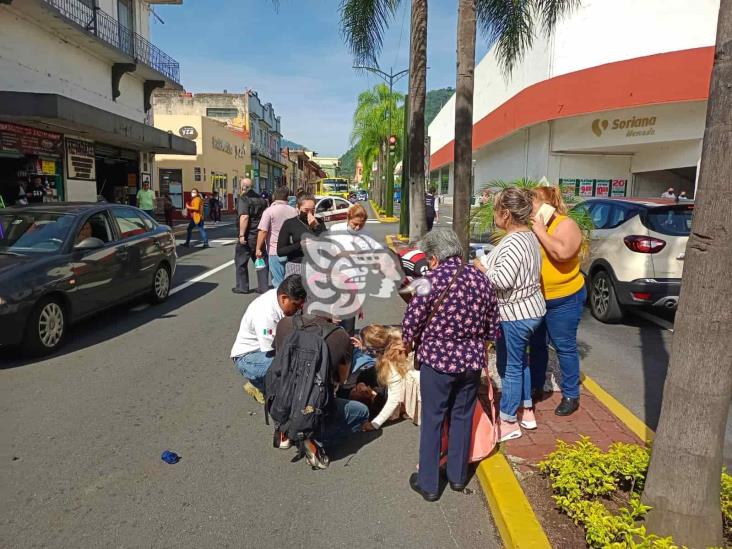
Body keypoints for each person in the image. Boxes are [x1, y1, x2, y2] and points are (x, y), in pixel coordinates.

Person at [402, 229, 500, 502]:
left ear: (433, 258)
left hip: (438, 362)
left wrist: (409, 342)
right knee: (462, 417)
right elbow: (493, 326)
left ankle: (429, 483)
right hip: (471, 362)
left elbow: (411, 323)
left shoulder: (428, 281)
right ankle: (457, 476)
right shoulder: (481, 279)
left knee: (433, 420)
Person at [473, 188, 546, 441]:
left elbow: (502, 280)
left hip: (515, 314)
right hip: (530, 310)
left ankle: (508, 420)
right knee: (521, 362)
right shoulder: (528, 236)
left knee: (511, 368)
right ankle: (527, 410)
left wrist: (482, 268)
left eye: (495, 210)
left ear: (505, 213)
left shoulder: (514, 241)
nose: (493, 214)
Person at [272, 311, 368, 467]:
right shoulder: (340, 336)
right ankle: (314, 440)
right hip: (313, 405)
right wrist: (351, 350)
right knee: (362, 412)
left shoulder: (285, 323)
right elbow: (342, 380)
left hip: (282, 398)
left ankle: (284, 428)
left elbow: (279, 361)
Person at [528, 185, 586, 416]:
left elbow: (562, 253)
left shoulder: (565, 225)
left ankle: (571, 394)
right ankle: (536, 385)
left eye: (532, 203)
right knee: (537, 345)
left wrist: (541, 232)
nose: (529, 208)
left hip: (564, 298)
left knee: (564, 346)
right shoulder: (531, 225)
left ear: (547, 205)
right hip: (536, 298)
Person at [230, 275, 307, 404]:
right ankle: (259, 384)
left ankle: (263, 384)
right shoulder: (266, 315)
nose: (299, 309)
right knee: (292, 367)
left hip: (265, 350)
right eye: (296, 306)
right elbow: (274, 351)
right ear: (284, 299)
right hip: (249, 357)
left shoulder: (280, 297)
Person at [328, 203, 382, 335]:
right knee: (331, 322)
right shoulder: (335, 230)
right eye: (355, 224)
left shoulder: (366, 236)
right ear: (348, 218)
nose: (357, 228)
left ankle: (347, 349)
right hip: (334, 280)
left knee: (348, 324)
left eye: (361, 225)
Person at [355, 325, 410, 432]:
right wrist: (361, 381)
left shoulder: (392, 365)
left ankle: (407, 408)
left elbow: (394, 399)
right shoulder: (399, 337)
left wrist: (375, 424)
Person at [256, 186, 297, 288]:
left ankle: (279, 301)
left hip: (274, 251)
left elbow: (263, 231)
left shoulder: (269, 211)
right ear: (287, 197)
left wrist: (258, 248)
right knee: (291, 282)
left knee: (278, 282)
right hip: (291, 250)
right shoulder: (294, 211)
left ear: (274, 197)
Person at [277, 192, 326, 277]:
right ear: (298, 208)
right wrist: (299, 245)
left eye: (313, 210)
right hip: (296, 265)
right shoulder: (290, 223)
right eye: (306, 210)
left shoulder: (319, 222)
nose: (309, 214)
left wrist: (317, 226)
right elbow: (280, 251)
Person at [233, 178, 268, 294]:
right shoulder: (261, 200)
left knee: (241, 261)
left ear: (243, 187)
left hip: (248, 234)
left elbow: (244, 217)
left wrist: (241, 235)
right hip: (259, 234)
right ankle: (263, 286)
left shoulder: (244, 199)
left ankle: (242, 287)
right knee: (260, 259)